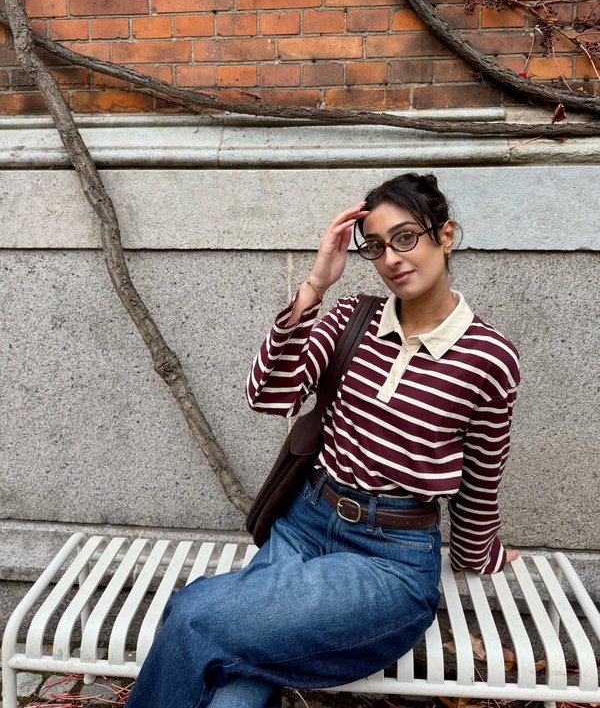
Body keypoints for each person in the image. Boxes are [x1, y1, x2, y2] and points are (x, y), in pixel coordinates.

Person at [126, 172, 520, 708]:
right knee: (232, 686)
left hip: (390, 561)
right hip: (305, 525)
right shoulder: (348, 318)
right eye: (376, 247)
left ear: (445, 235)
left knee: (195, 615)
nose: (392, 258)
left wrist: (482, 552)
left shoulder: (489, 356)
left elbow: (481, 476)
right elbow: (266, 395)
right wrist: (316, 284)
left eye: (405, 237)